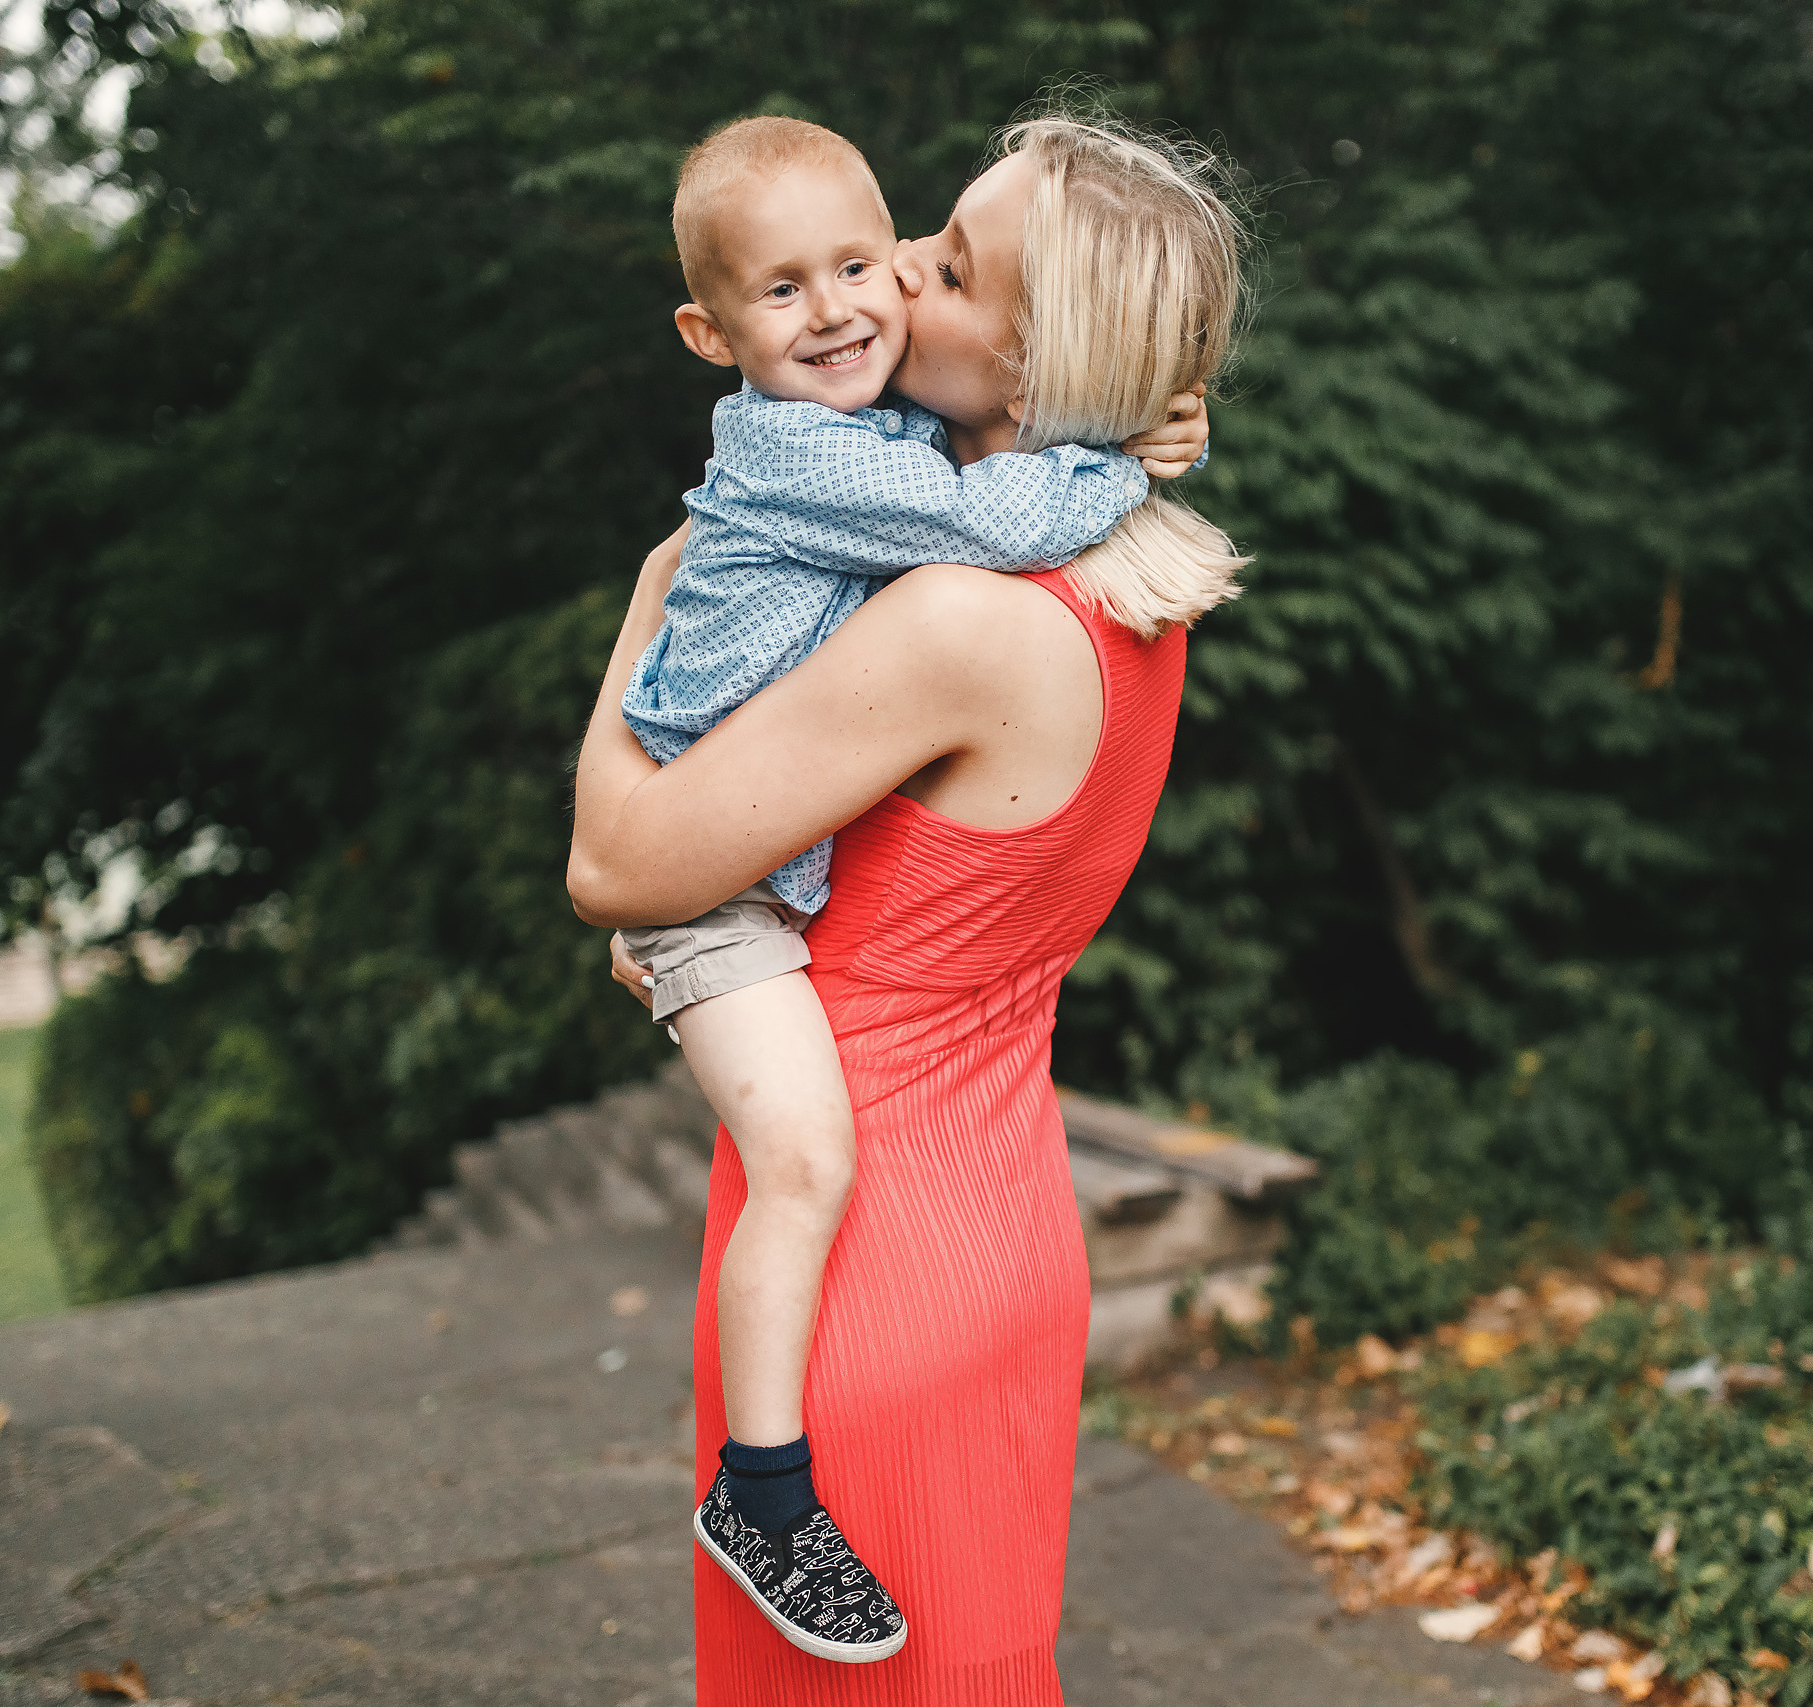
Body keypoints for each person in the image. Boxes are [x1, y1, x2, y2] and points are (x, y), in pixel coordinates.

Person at [568, 110, 1244, 1703]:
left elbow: (616, 864)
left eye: (941, 262)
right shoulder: (1129, 599)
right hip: (1007, 1226)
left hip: (853, 1269)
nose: (889, 283)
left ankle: (767, 1500)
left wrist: (659, 593)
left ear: (1024, 364)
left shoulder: (955, 620)